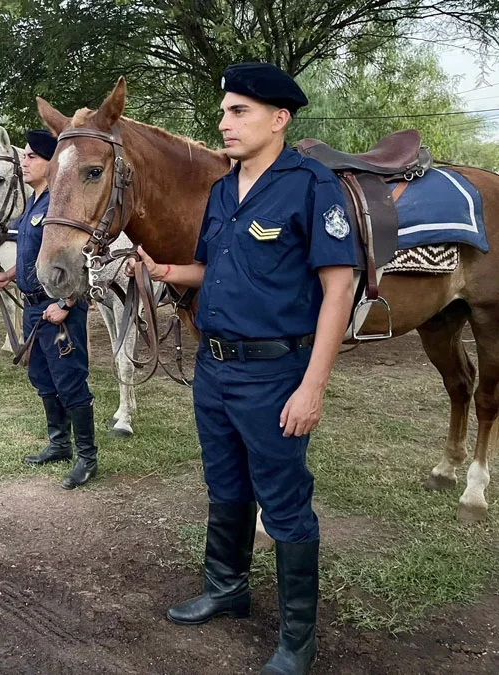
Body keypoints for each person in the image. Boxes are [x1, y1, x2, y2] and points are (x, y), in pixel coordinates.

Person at [130, 63, 357, 675]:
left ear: (279, 119)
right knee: (225, 485)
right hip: (215, 368)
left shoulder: (312, 186)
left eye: (239, 112)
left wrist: (312, 386)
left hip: (275, 373)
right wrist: (169, 274)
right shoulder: (223, 190)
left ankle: (296, 638)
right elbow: (214, 269)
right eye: (224, 111)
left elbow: (338, 289)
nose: (223, 122)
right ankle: (227, 587)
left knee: (283, 503)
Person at [0, 130, 97, 490]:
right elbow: (34, 256)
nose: (25, 160)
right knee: (42, 378)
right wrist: (7, 274)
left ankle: (87, 456)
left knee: (70, 380)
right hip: (33, 308)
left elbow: (81, 259)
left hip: (58, 307)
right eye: (26, 155)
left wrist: (65, 303)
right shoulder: (32, 206)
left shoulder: (60, 204)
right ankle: (60, 443)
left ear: (52, 163)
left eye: (33, 156)